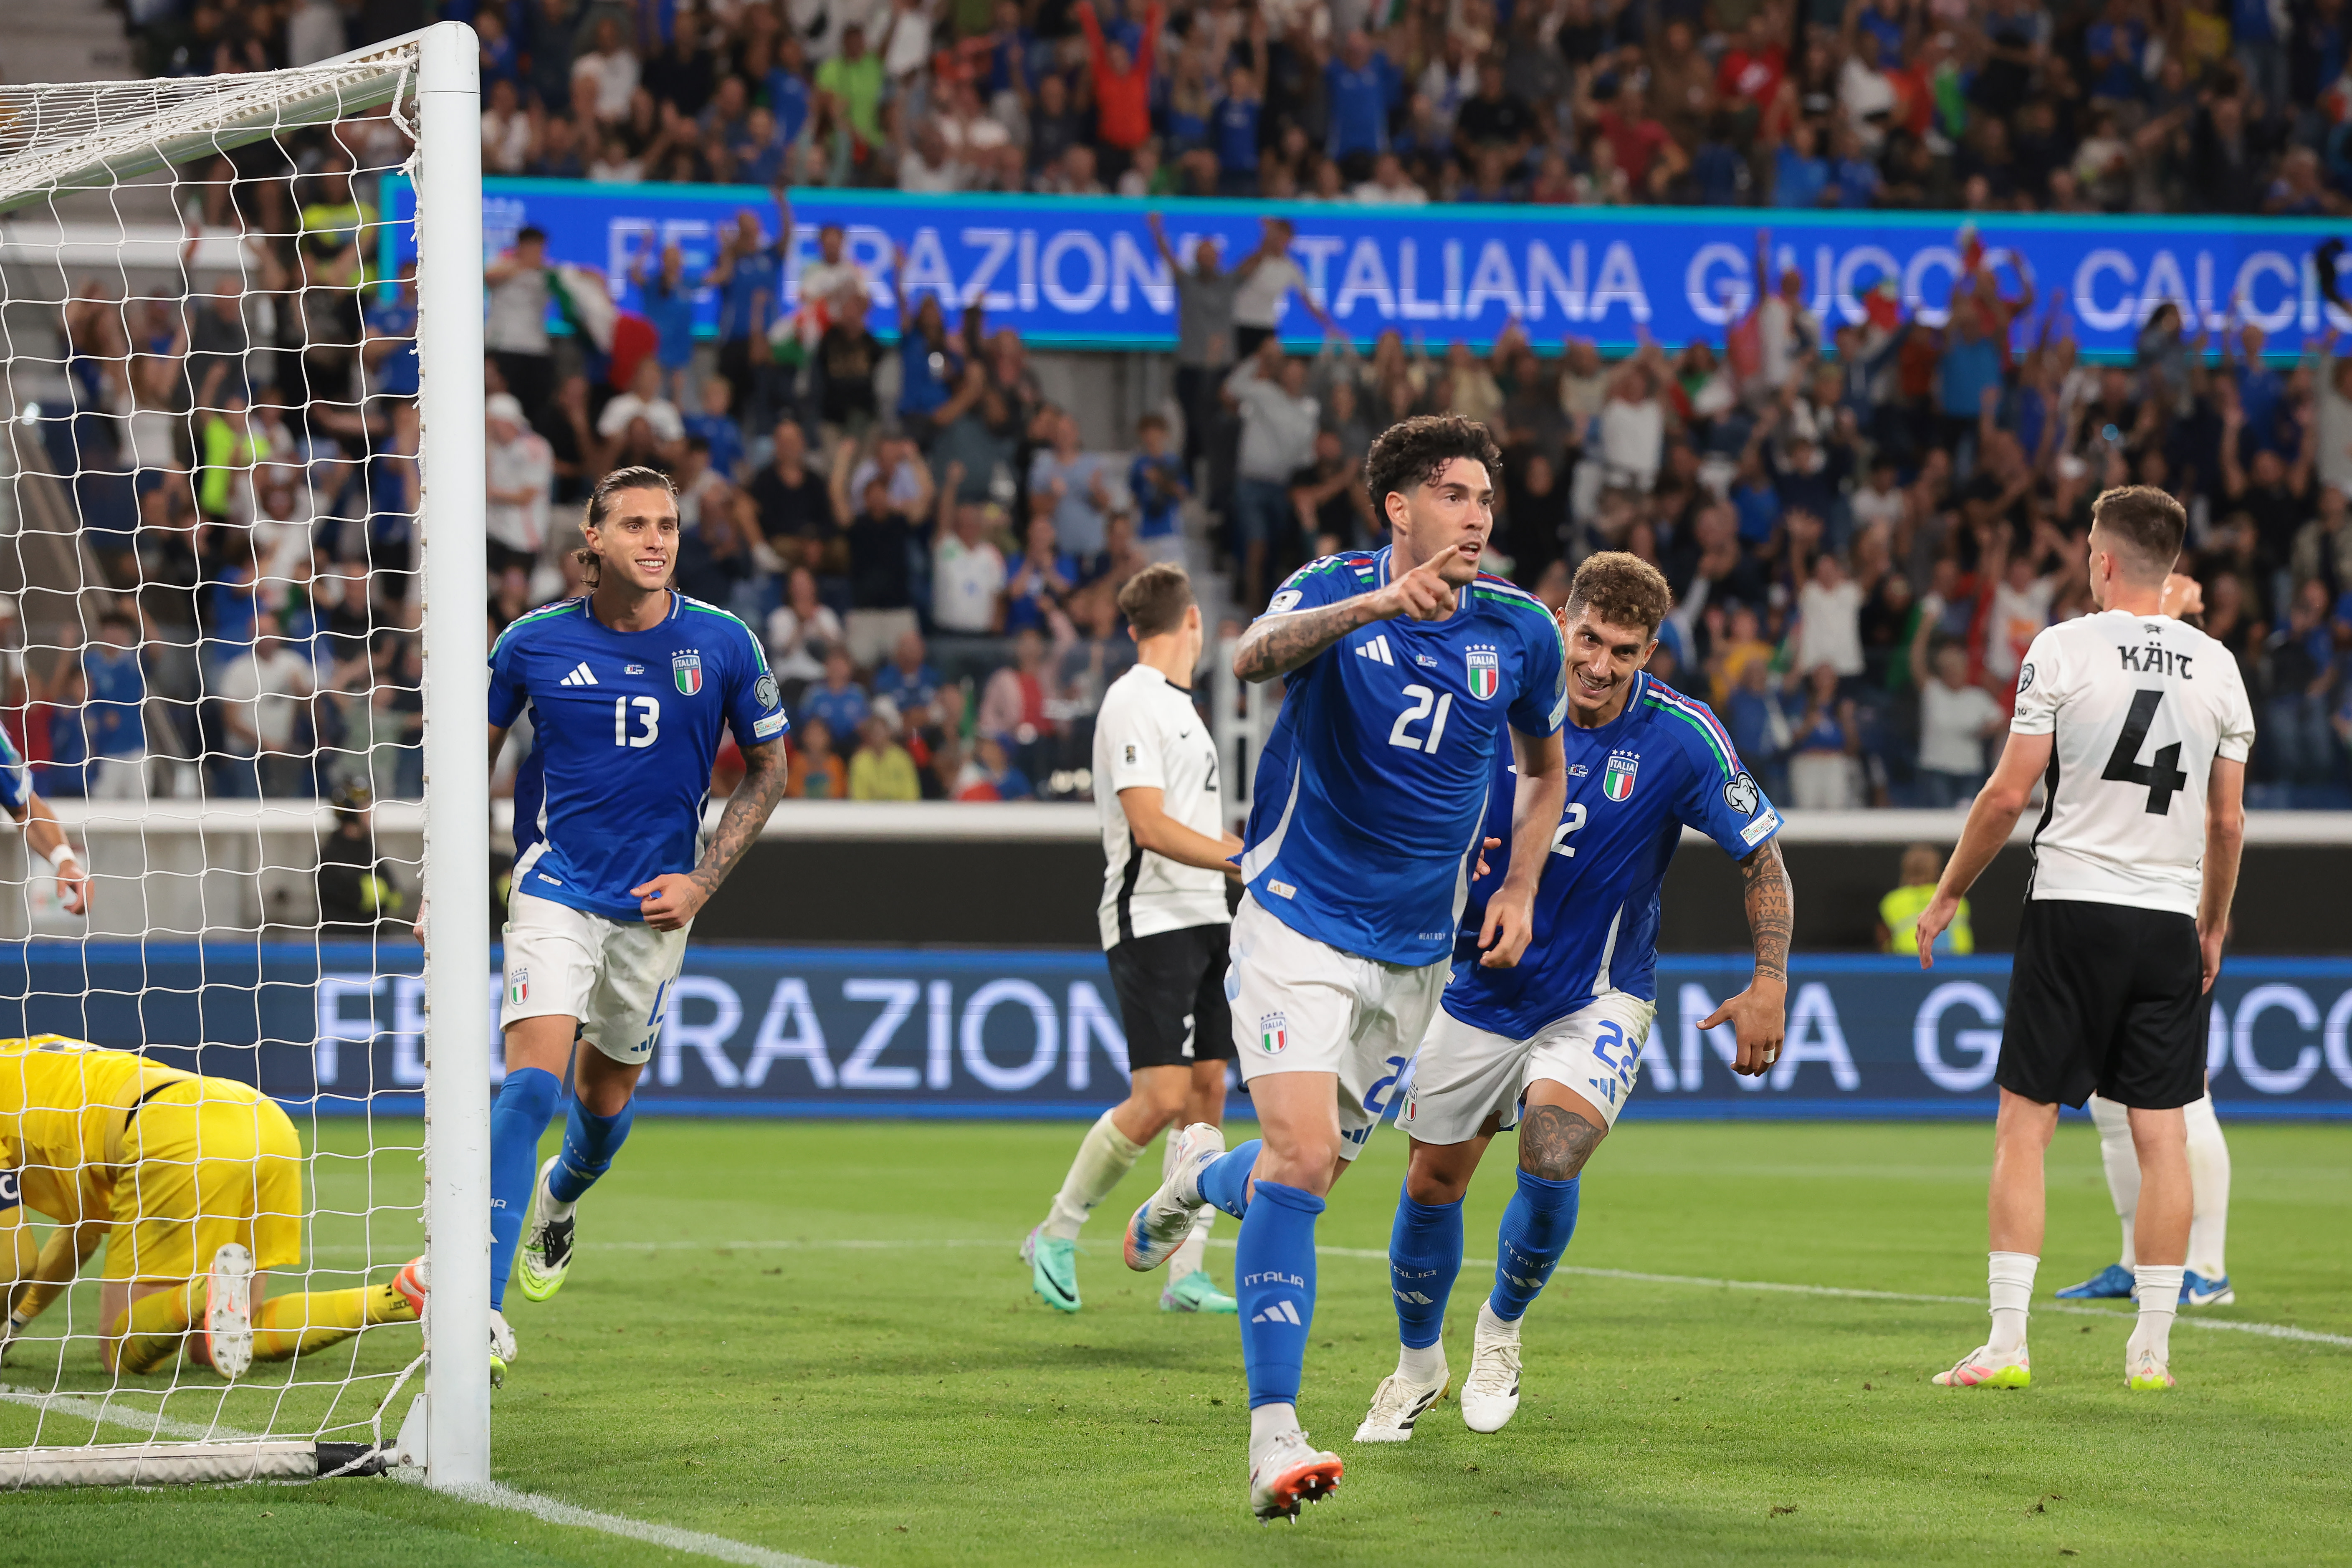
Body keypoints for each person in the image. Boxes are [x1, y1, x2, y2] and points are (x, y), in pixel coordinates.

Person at [1116, 415, 1568, 1522]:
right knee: (1305, 1152)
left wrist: (1516, 887)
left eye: (1484, 497)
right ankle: (1273, 1438)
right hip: (1295, 923)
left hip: (1416, 959)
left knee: (1300, 1171)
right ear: (1398, 509)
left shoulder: (1519, 630)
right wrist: (1374, 604)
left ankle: (1194, 1185)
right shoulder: (1329, 590)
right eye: (1453, 495)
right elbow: (1250, 657)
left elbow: (1544, 767)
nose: (1476, 516)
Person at [1358, 552, 1788, 1441]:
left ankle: (1502, 1333)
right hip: (1470, 988)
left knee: (1554, 1154)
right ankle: (1414, 1366)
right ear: (1563, 619)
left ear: (1651, 651)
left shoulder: (1681, 735)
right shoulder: (1487, 696)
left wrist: (1770, 981)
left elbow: (1761, 858)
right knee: (1434, 1182)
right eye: (1588, 639)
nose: (1598, 666)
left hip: (1596, 996)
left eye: (1623, 653)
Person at [1915, 486, 2253, 1394]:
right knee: (2163, 1136)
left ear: (2103, 559)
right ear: (2173, 566)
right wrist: (2213, 921)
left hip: (2072, 906)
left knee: (2025, 1129)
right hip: (2167, 917)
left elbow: (2006, 795)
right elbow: (2228, 824)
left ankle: (2008, 1342)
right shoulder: (2220, 667)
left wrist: (1949, 893)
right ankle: (2152, 1351)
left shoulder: (2064, 648)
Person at [483, 467, 791, 1383]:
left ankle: (560, 1197)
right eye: (634, 525)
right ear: (593, 542)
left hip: (657, 906)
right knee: (529, 1091)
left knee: (603, 1107)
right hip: (554, 886)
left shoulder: (724, 642)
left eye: (667, 525)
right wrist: (438, 887)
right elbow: (466, 760)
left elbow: (770, 768)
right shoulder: (530, 643)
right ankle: (477, 1313)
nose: (655, 540)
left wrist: (702, 881)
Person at [1024, 564, 1243, 1319]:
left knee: (1209, 1089)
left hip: (1209, 911)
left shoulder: (1182, 707)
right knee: (1160, 1098)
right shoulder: (1130, 700)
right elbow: (1147, 826)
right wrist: (1239, 855)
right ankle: (1056, 1231)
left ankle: (1187, 1272)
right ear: (1192, 623)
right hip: (1150, 915)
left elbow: (1188, 822)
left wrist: (1243, 861)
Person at [0, 1034, 422, 1378]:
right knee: (219, 1341)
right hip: (260, 1117)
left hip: (171, 1132)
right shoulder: (29, 1051)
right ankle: (394, 1298)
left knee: (120, 1352)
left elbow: (12, 1266)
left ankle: (204, 1291)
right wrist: (16, 1323)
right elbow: (83, 1230)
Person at [1877, 843, 1970, 955]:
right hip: (1957, 964)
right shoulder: (1955, 898)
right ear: (1938, 870)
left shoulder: (1894, 901)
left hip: (1911, 963)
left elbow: (1884, 939)